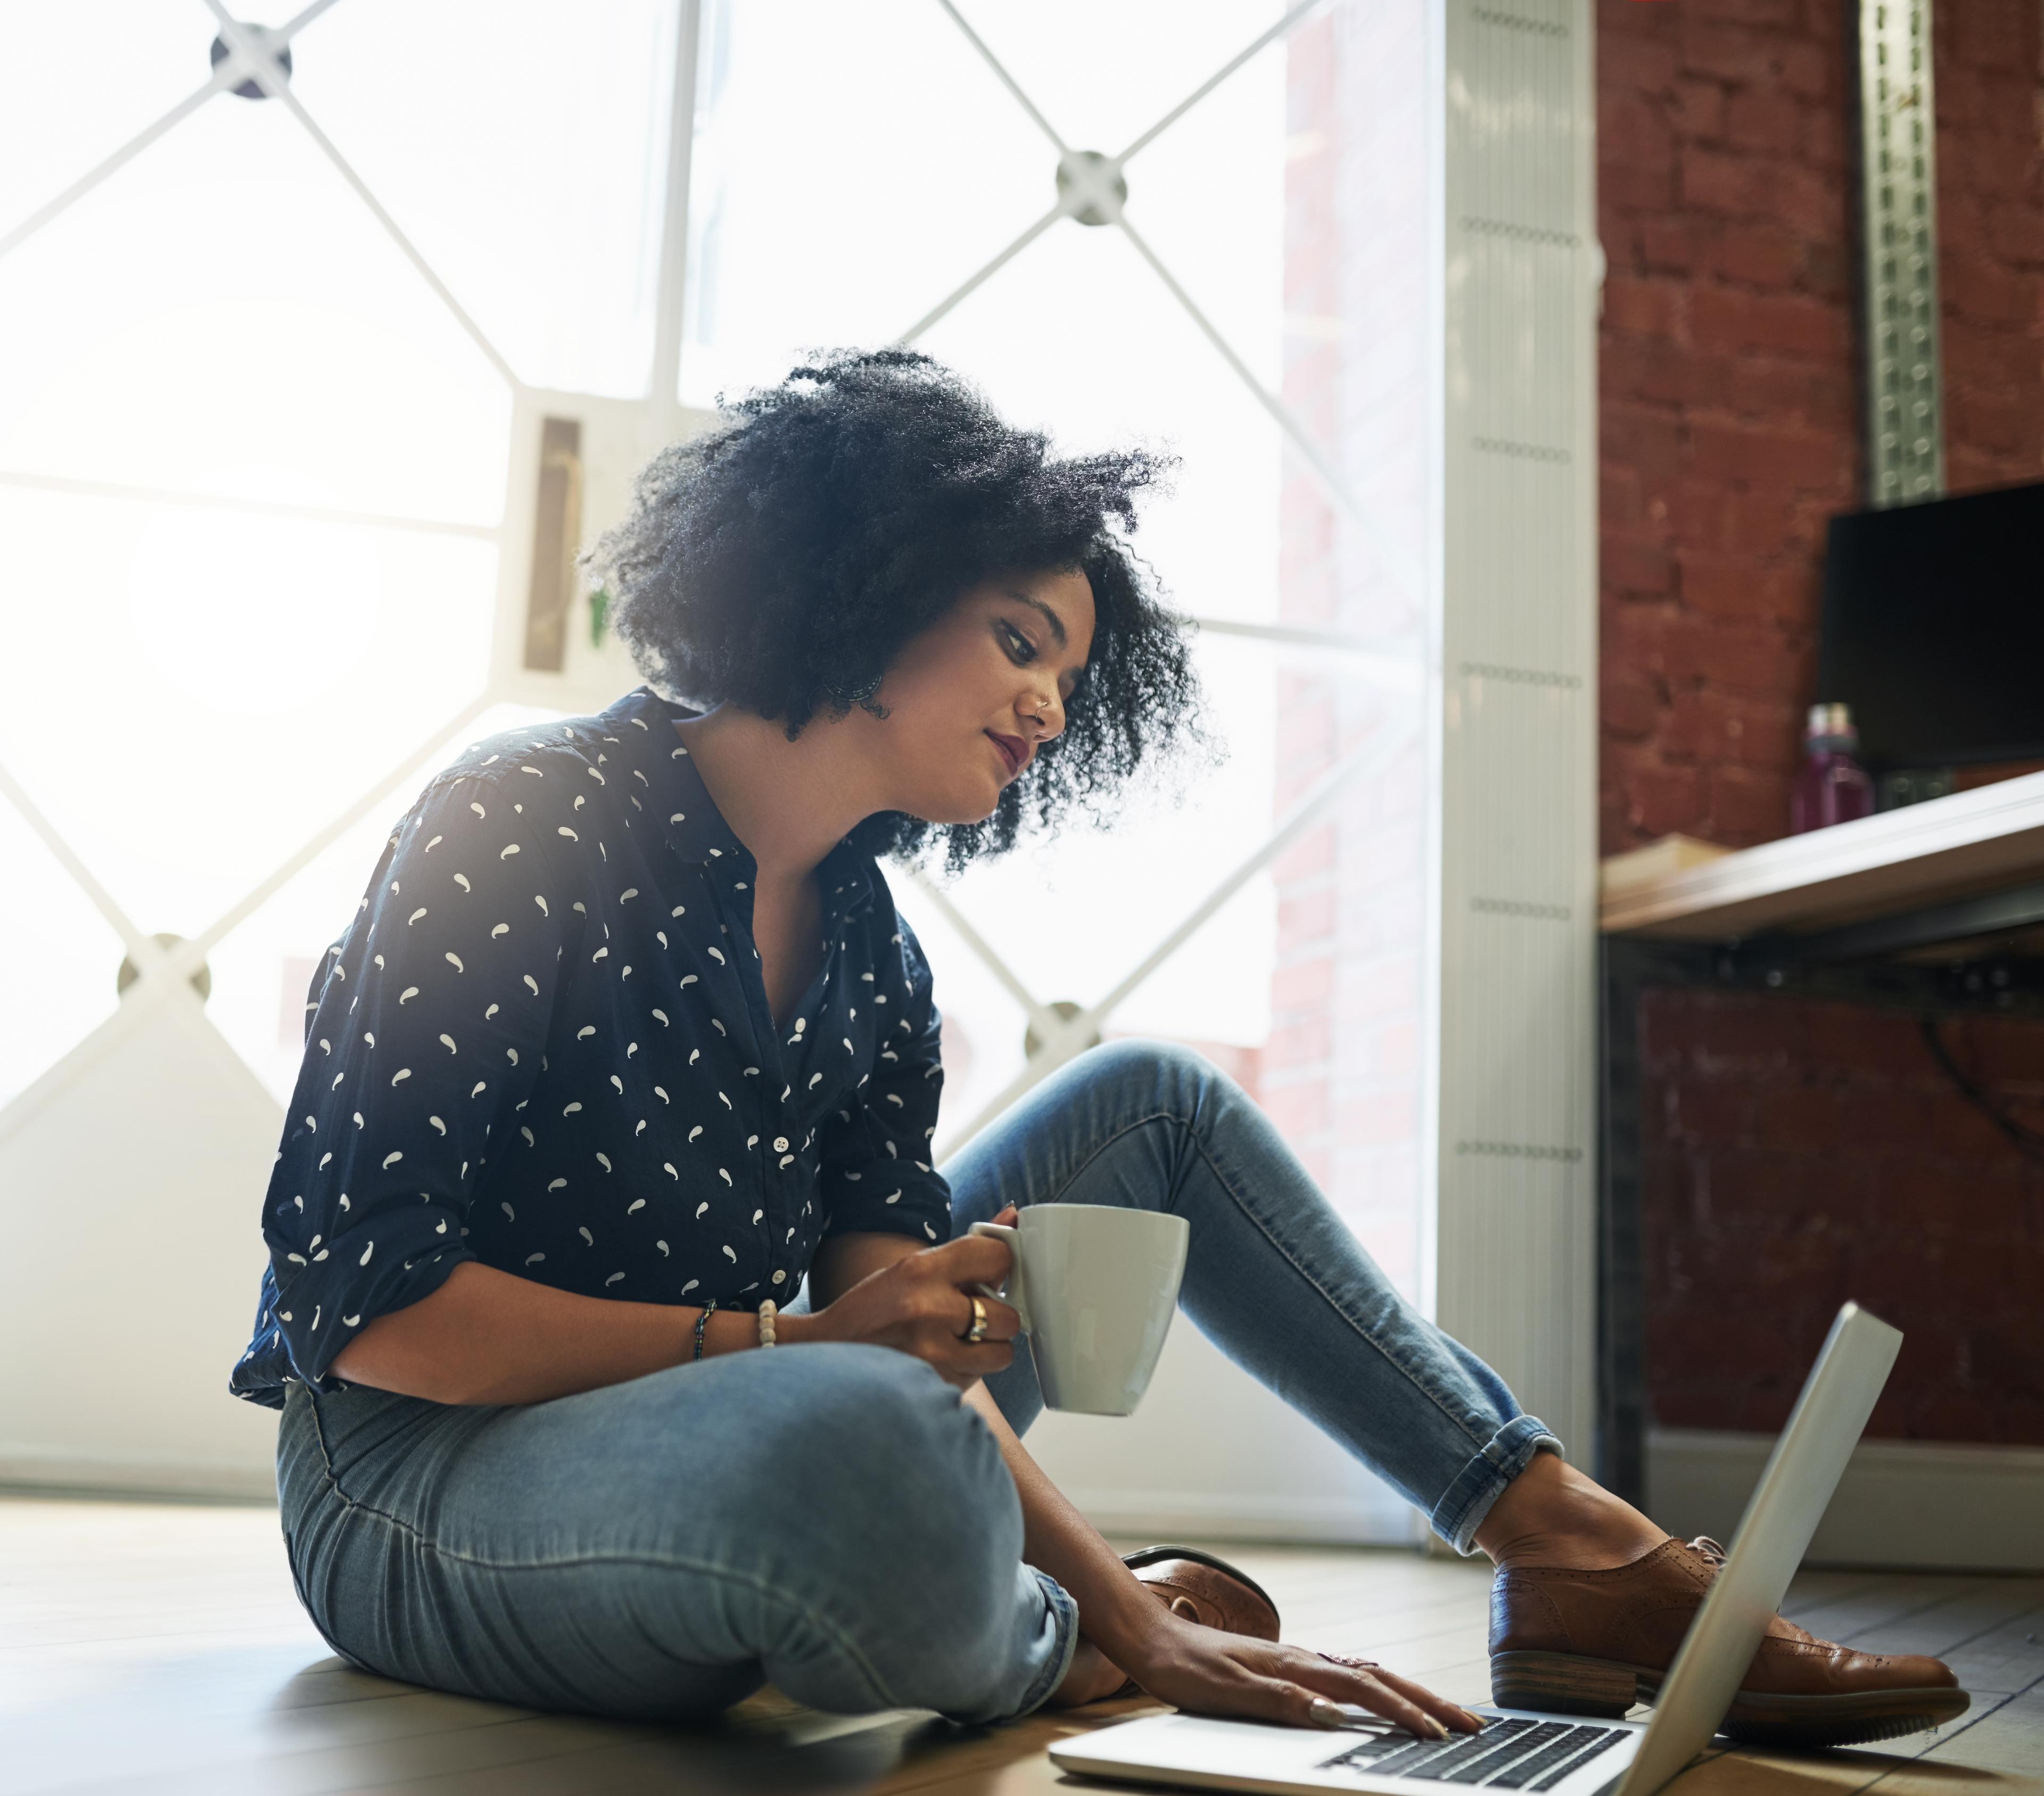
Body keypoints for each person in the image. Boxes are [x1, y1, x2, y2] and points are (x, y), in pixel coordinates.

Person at [231, 351, 1963, 1747]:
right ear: (865, 587)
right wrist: (791, 1345)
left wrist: (1121, 1599)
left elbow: (910, 1363)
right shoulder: (521, 821)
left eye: (1071, 666)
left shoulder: (868, 948)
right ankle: (1035, 1629)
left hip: (783, 1409)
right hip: (417, 1480)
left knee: (1147, 1113)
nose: (1055, 705)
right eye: (1017, 640)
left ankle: (1562, 1546)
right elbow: (371, 1326)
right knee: (851, 1450)